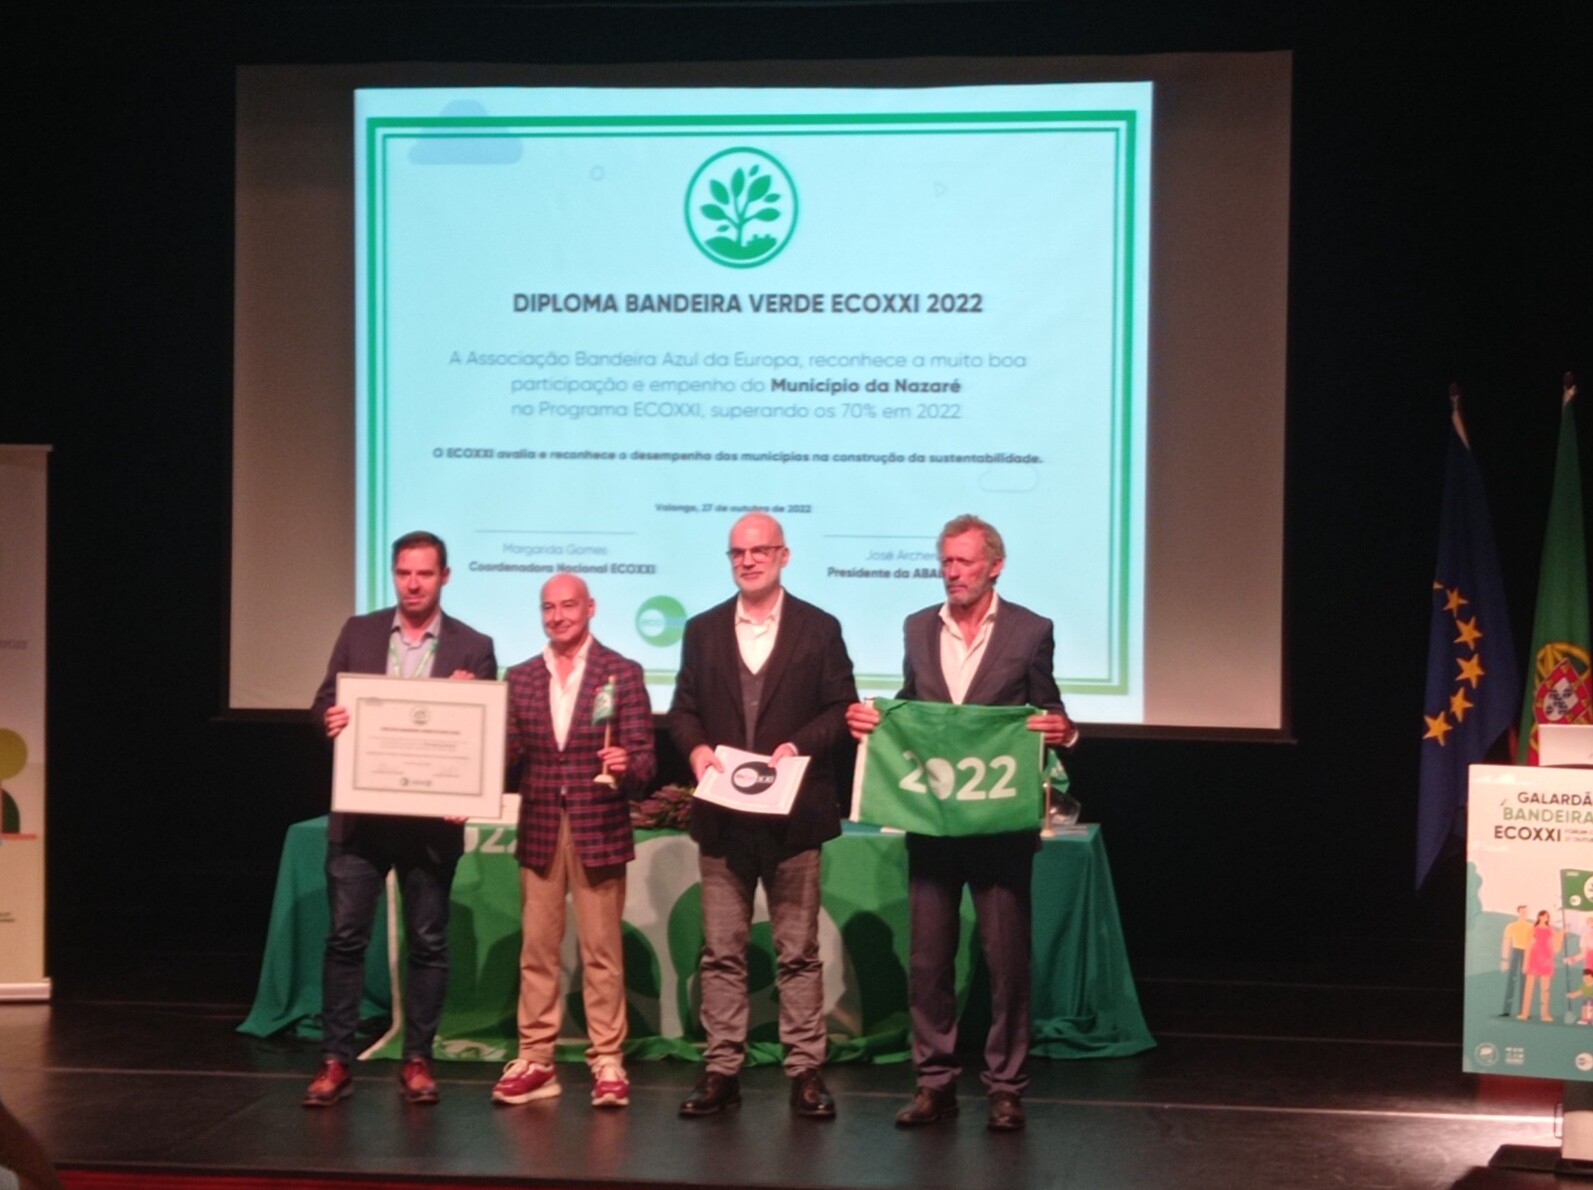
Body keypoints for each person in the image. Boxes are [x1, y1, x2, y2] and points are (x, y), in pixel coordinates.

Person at [846, 514, 1076, 1133]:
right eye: (946, 562)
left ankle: (1005, 1087)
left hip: (999, 825)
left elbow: (1050, 710)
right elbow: (911, 709)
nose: (951, 573)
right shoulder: (918, 626)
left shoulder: (1031, 631)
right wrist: (875, 722)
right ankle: (935, 1084)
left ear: (994, 566)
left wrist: (1066, 731)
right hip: (932, 821)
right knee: (928, 961)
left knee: (1005, 961)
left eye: (964, 562)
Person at [667, 512, 857, 1119]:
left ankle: (805, 1071)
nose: (747, 561)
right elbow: (683, 709)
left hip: (793, 818)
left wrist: (796, 747)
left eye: (759, 551)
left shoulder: (819, 628)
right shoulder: (701, 630)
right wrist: (696, 749)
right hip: (724, 821)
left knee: (797, 951)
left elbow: (840, 710)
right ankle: (723, 1069)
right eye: (737, 553)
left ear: (784, 555)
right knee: (721, 951)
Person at [303, 531, 498, 1107]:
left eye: (425, 574)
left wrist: (470, 700)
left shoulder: (473, 645)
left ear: (445, 576)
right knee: (344, 939)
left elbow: (488, 736)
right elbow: (320, 705)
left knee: (429, 942)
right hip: (361, 819)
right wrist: (330, 720)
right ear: (393, 575)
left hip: (431, 825)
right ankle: (336, 1060)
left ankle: (417, 1058)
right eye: (404, 573)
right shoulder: (359, 631)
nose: (413, 584)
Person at [490, 574, 656, 1109]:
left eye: (568, 605)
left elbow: (647, 761)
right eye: (548, 607)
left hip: (599, 824)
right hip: (540, 823)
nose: (558, 616)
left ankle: (607, 1059)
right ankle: (536, 1059)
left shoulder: (622, 673)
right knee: (537, 949)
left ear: (591, 607)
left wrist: (627, 763)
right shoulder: (519, 676)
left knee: (601, 951)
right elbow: (504, 754)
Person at [1499, 904, 1533, 1017]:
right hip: (1516, 951)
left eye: (1526, 911)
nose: (1524, 913)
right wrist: (1504, 959)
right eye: (1522, 911)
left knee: (1525, 982)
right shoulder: (1511, 926)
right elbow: (1506, 942)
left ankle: (1523, 1011)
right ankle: (1506, 1010)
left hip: (1527, 953)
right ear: (1518, 912)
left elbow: (1534, 943)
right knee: (1511, 980)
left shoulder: (1531, 926)